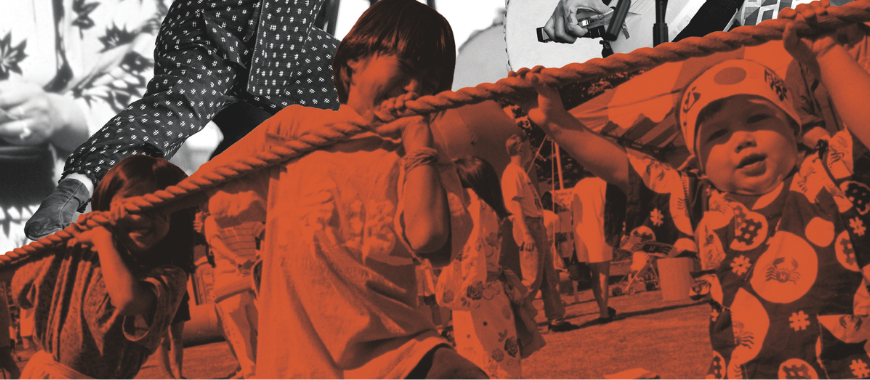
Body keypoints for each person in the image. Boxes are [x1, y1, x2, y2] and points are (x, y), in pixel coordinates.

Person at [514, 1, 870, 376]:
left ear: (793, 129)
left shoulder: (831, 179)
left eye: (758, 117)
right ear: (700, 163)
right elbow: (629, 171)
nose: (742, 138)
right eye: (717, 134)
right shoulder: (705, 208)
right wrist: (555, 122)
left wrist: (827, 52)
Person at [199, 0, 486, 377]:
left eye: (430, 87)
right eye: (406, 69)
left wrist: (419, 148)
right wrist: (141, 201)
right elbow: (204, 188)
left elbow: (428, 236)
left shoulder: (424, 155)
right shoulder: (294, 130)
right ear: (354, 63)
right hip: (300, 362)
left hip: (397, 353)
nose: (415, 89)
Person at [24, 0, 341, 242]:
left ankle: (214, 211)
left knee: (362, 80)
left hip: (286, 46)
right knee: (177, 110)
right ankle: (76, 187)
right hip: (216, 28)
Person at [8, 155, 192, 378]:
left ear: (176, 216)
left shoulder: (170, 274)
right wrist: (66, 241)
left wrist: (102, 239)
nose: (143, 217)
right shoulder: (81, 251)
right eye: (133, 204)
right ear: (107, 206)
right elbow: (21, 289)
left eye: (159, 207)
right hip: (47, 371)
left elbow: (128, 301)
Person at [436, 156, 524, 379]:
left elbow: (472, 257)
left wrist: (457, 294)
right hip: (485, 293)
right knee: (494, 360)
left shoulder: (477, 207)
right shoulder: (484, 207)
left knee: (489, 363)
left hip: (478, 294)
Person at [501, 133, 578, 332]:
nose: (532, 151)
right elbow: (515, 204)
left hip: (536, 224)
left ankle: (556, 320)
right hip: (528, 226)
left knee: (548, 276)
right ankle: (515, 322)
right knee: (531, 279)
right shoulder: (512, 173)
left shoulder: (521, 172)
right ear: (520, 148)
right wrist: (526, 233)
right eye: (528, 147)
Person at [204, 214, 261, 379]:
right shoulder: (216, 219)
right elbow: (214, 241)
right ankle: (251, 372)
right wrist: (238, 258)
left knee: (255, 327)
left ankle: (265, 367)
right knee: (241, 331)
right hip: (230, 279)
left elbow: (264, 232)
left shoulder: (243, 216)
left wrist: (263, 253)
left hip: (247, 277)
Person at [572, 176, 620, 323]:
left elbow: (572, 211)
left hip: (582, 234)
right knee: (603, 274)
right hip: (600, 230)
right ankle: (604, 313)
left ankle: (603, 309)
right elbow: (613, 209)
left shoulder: (579, 184)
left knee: (595, 274)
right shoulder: (605, 184)